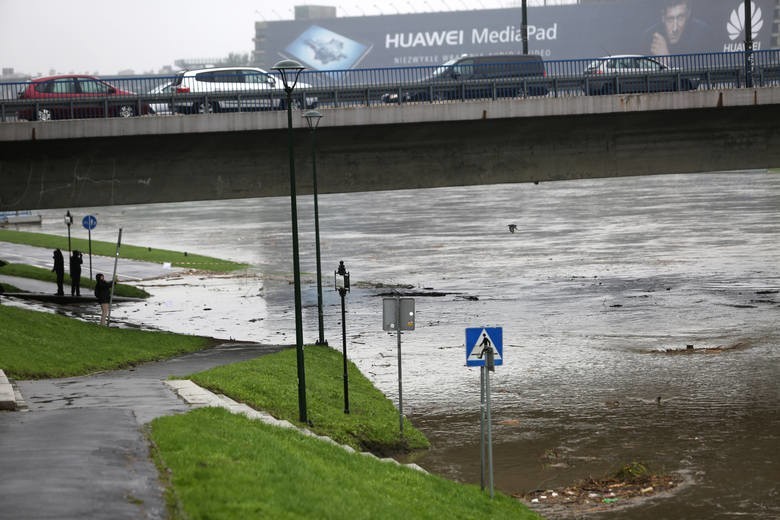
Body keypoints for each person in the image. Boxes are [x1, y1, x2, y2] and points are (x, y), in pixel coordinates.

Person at [645, 0, 710, 56]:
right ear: (663, 17)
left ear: (688, 14)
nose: (675, 29)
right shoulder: (649, 38)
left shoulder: (702, 34)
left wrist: (666, 59)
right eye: (670, 19)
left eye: (680, 18)